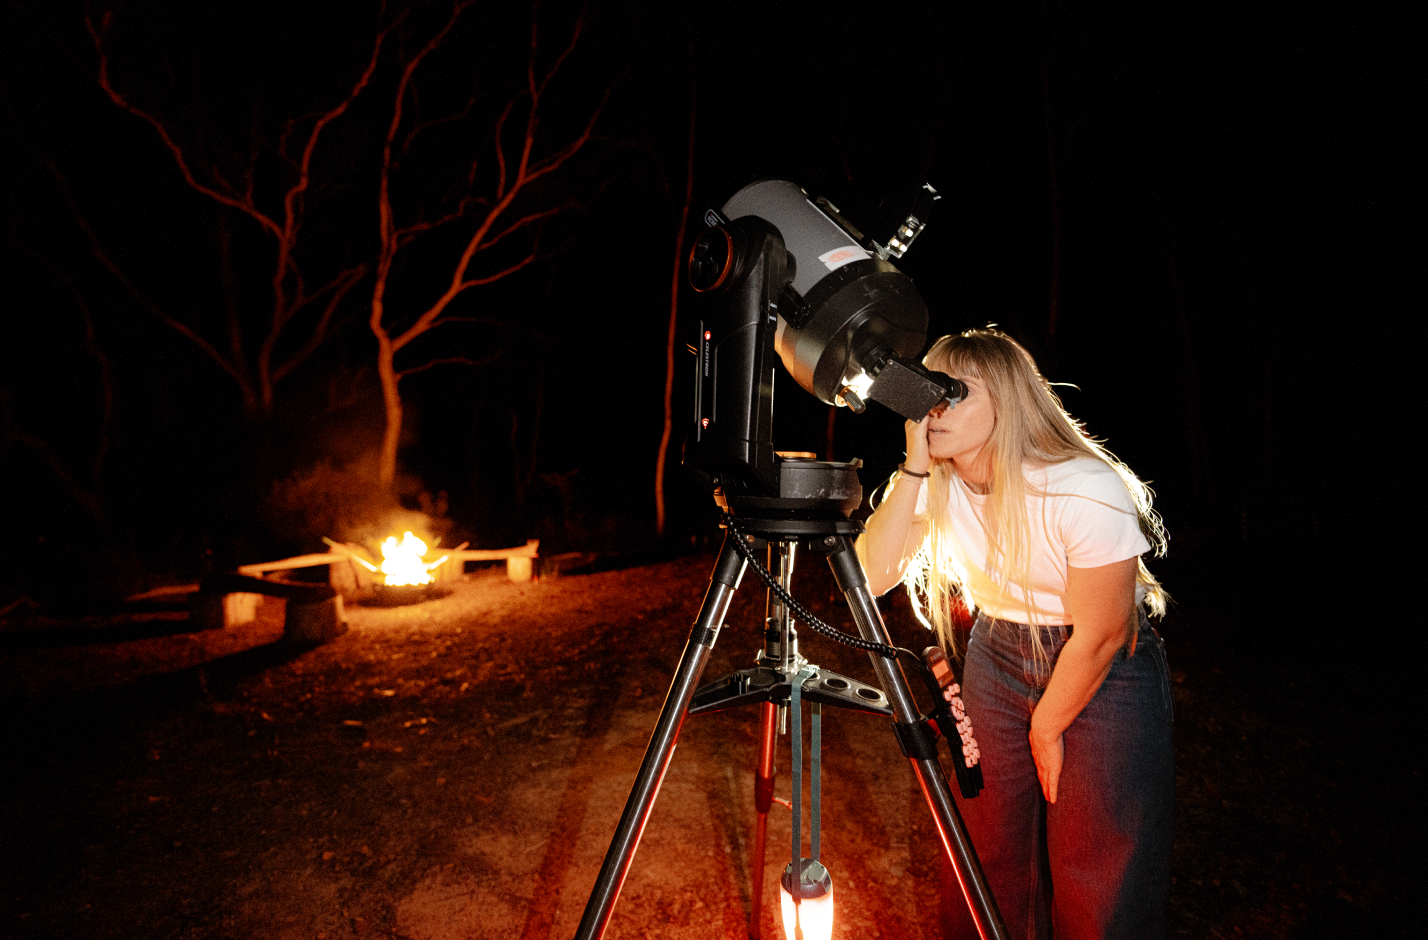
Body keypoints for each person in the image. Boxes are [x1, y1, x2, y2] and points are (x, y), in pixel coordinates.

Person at [856, 328, 1173, 940]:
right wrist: (913, 466)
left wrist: (1047, 723)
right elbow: (869, 578)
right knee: (986, 850)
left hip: (1101, 663)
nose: (933, 408)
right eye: (927, 392)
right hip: (997, 655)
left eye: (953, 393)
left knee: (1098, 869)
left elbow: (1104, 633)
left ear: (1007, 403)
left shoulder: (1083, 485)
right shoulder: (935, 482)